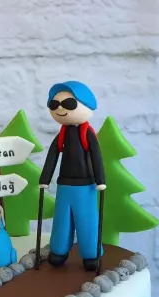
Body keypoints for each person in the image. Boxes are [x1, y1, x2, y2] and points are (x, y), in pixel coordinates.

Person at [39, 80, 106, 271]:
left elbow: (97, 157)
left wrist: (100, 181)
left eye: (68, 103)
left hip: (86, 187)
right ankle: (58, 251)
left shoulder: (88, 134)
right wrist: (45, 179)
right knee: (62, 220)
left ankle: (91, 254)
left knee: (87, 220)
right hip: (64, 186)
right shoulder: (62, 135)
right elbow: (52, 156)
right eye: (54, 104)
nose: (60, 108)